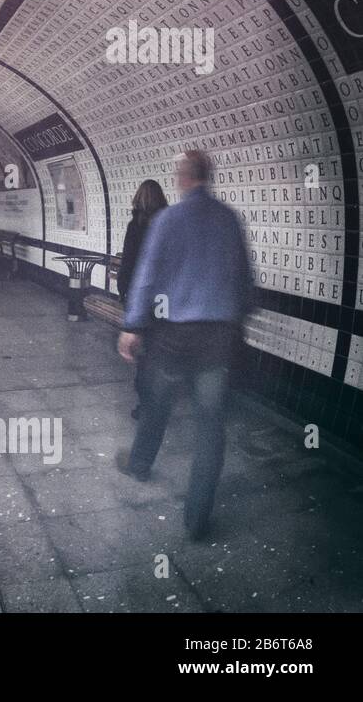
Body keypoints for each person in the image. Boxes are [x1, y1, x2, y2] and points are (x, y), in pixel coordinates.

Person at [116, 150, 253, 541]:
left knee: (156, 404)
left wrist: (132, 326)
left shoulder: (168, 220)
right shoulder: (229, 219)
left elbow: (145, 275)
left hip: (174, 336)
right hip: (217, 338)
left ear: (181, 178)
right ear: (207, 177)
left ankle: (140, 464)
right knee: (211, 425)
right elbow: (244, 280)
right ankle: (197, 517)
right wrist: (235, 321)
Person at [118, 179, 168, 418]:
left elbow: (128, 262)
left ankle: (146, 404)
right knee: (159, 348)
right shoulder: (169, 224)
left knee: (145, 353)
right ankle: (161, 399)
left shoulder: (135, 226)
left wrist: (123, 292)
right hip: (164, 299)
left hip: (141, 298)